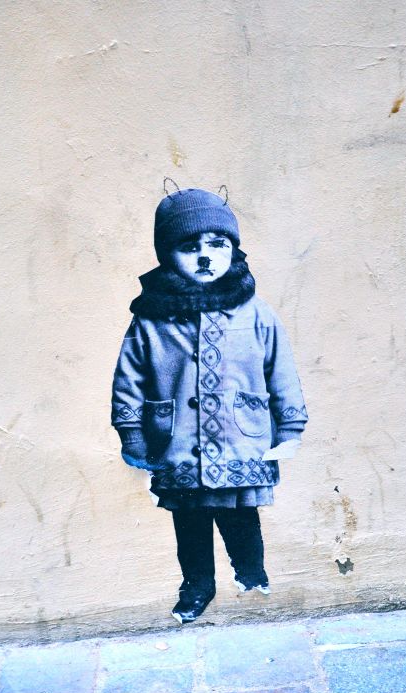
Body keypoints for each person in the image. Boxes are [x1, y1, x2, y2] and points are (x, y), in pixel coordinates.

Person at [111, 187, 307, 624]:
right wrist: (133, 433)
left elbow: (281, 371)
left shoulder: (256, 313)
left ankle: (251, 577)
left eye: (217, 244)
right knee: (190, 523)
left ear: (232, 249)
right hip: (178, 443)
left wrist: (290, 429)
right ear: (167, 254)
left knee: (240, 513)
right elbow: (129, 378)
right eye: (189, 247)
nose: (205, 256)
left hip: (241, 439)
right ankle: (198, 586)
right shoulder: (150, 318)